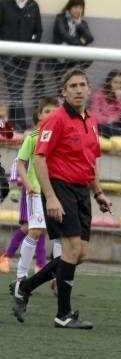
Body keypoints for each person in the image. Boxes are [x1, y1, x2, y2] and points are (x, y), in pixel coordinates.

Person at [10, 69, 113, 328]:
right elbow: (39, 158)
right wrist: (51, 196)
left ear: (89, 89)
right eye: (73, 86)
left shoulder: (91, 121)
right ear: (64, 92)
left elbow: (90, 162)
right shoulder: (55, 119)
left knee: (80, 254)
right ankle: (63, 315)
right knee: (71, 251)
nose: (78, 89)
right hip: (60, 188)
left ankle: (25, 287)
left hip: (81, 191)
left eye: (82, 85)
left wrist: (98, 192)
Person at [12, 98, 59, 285]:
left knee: (59, 234)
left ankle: (58, 276)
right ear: (39, 115)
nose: (51, 115)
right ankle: (21, 274)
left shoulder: (60, 138)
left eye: (54, 111)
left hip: (56, 192)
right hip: (36, 192)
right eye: (47, 111)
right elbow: (21, 163)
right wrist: (27, 184)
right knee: (36, 230)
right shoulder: (33, 137)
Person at [0, 0, 43, 130]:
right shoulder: (4, 4)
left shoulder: (33, 6)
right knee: (14, 88)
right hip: (7, 55)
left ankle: (14, 123)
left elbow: (39, 31)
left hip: (25, 57)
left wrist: (31, 48)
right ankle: (20, 123)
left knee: (16, 89)